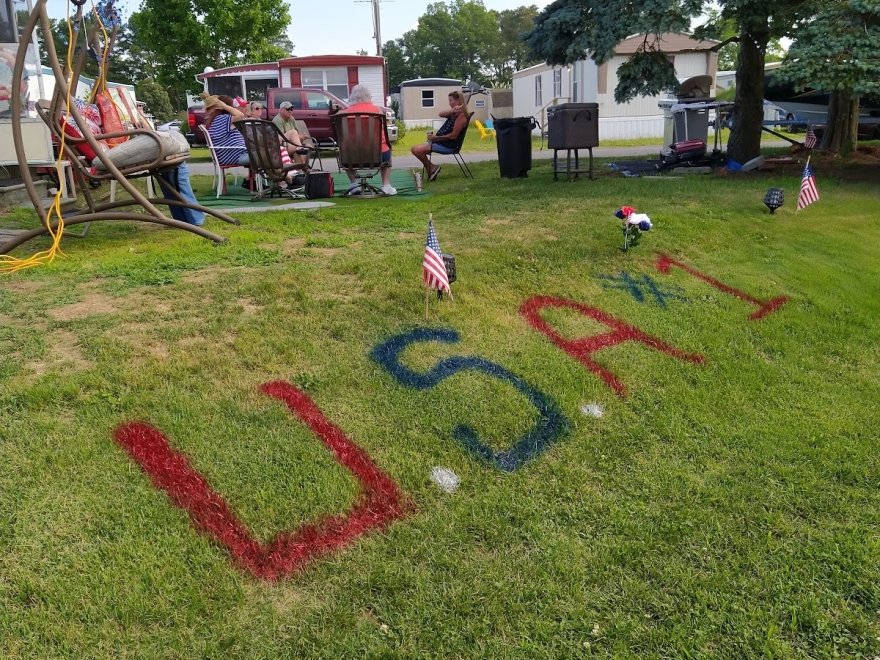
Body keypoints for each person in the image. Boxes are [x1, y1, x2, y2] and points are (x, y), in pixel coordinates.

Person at [337, 84, 396, 196]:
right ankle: (386, 185)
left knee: (346, 151)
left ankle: (354, 185)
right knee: (387, 148)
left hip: (351, 157)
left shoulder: (344, 113)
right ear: (368, 96)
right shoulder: (377, 110)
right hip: (378, 156)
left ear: (353, 97)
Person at [410, 90, 469, 182]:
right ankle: (431, 167)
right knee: (413, 149)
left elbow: (453, 136)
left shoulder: (461, 117)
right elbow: (441, 114)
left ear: (458, 101)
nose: (450, 103)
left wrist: (435, 138)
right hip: (440, 142)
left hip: (448, 146)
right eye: (449, 101)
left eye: (451, 101)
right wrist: (452, 110)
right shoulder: (453, 114)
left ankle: (432, 168)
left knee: (417, 150)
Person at [202, 93, 248, 167]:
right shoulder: (223, 119)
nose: (234, 108)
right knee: (268, 156)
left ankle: (254, 177)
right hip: (236, 156)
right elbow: (241, 115)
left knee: (266, 155)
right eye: (232, 106)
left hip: (228, 156)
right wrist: (225, 106)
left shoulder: (214, 121)